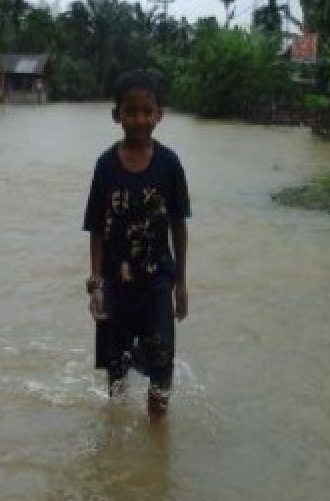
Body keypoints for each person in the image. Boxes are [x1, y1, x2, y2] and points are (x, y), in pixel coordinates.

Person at [83, 69, 190, 419]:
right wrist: (96, 283)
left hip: (158, 285)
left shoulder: (170, 165)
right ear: (117, 115)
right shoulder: (104, 166)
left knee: (160, 376)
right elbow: (96, 229)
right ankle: (118, 443)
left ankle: (157, 447)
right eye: (131, 111)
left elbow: (178, 226)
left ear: (160, 115)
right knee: (116, 379)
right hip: (115, 287)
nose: (139, 118)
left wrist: (182, 284)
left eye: (147, 110)